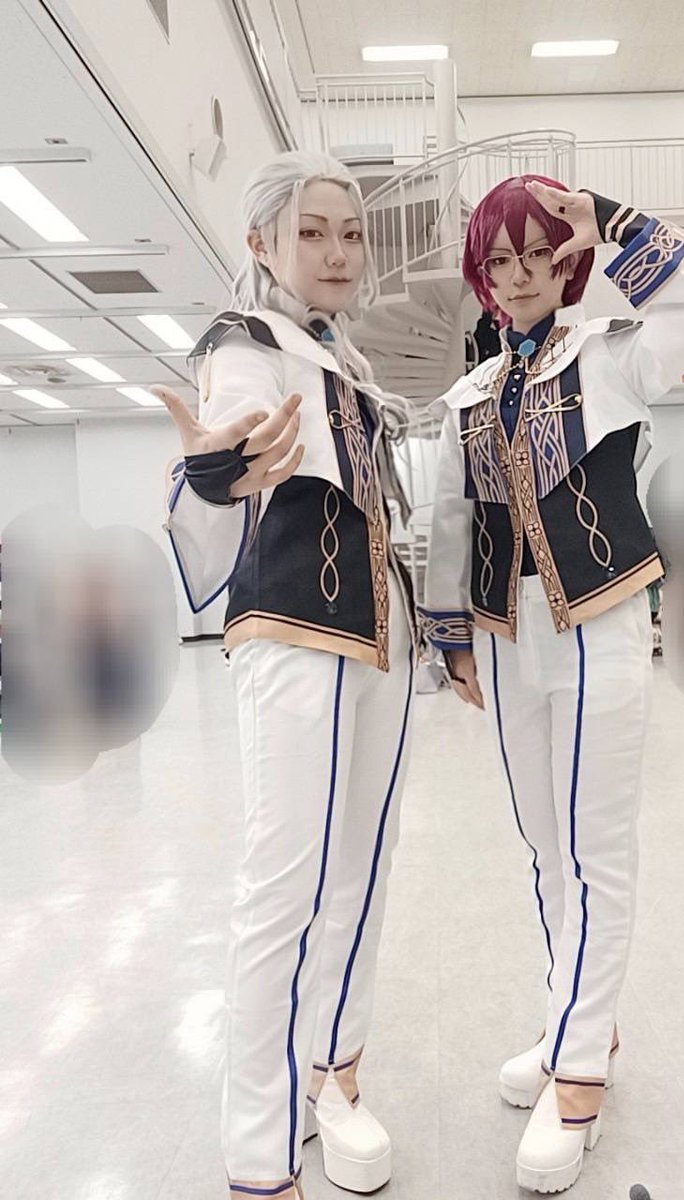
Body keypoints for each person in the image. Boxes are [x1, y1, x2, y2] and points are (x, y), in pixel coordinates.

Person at [421, 174, 684, 1193]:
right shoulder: (467, 397)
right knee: (543, 844)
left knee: (595, 848)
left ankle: (579, 1073)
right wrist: (450, 639)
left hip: (600, 622)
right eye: (500, 259)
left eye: (537, 254)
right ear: (481, 275)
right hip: (505, 636)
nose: (519, 275)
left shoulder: (613, 357)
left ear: (566, 264)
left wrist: (613, 219)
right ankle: (579, 1021)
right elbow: (451, 519)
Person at [155, 150, 417, 1200]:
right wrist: (220, 466)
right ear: (262, 242)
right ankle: (259, 1160)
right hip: (296, 633)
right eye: (312, 232)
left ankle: (332, 1074)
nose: (338, 252)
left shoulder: (341, 355)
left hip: (380, 640)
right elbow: (229, 433)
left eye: (349, 232)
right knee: (285, 889)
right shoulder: (247, 343)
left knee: (364, 870)